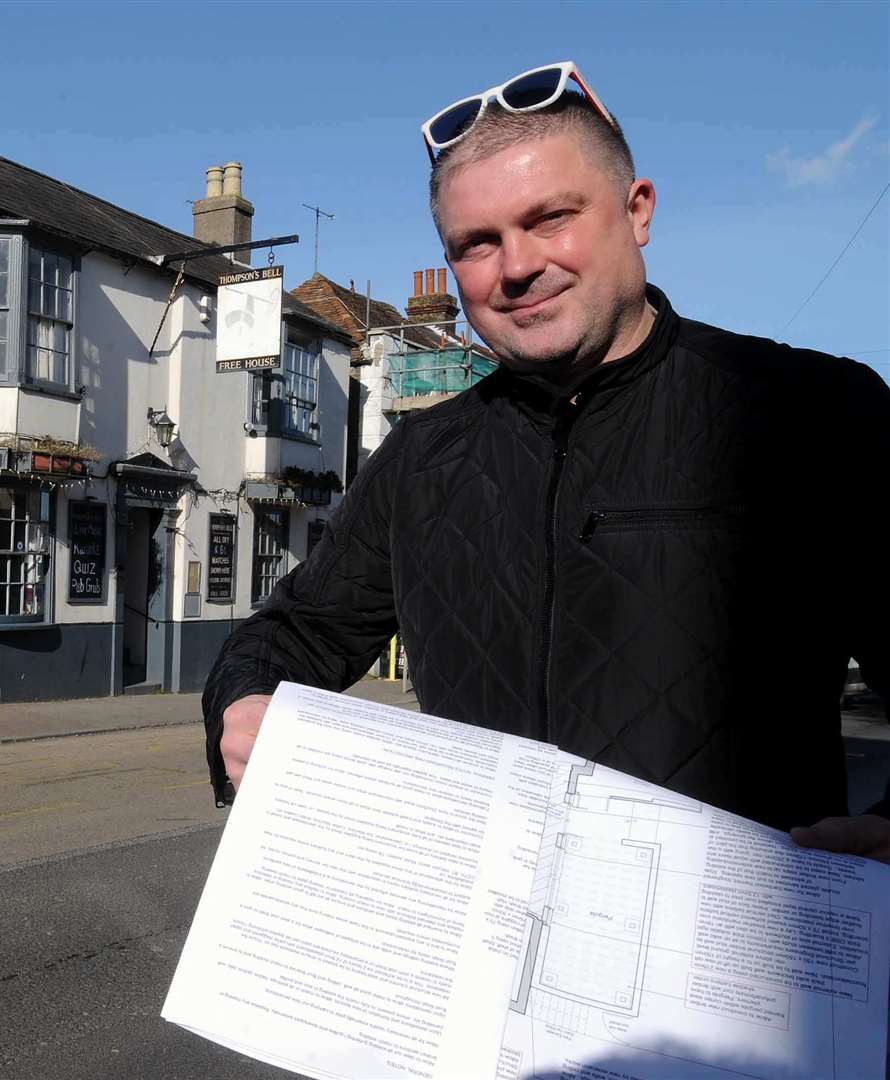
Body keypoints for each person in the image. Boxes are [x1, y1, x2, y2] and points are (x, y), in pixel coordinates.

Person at [202, 61, 889, 861]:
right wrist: (243, 701)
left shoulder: (813, 412)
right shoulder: (423, 457)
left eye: (551, 218)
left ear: (638, 212)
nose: (517, 265)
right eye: (476, 244)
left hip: (736, 970)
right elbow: (296, 631)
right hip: (485, 949)